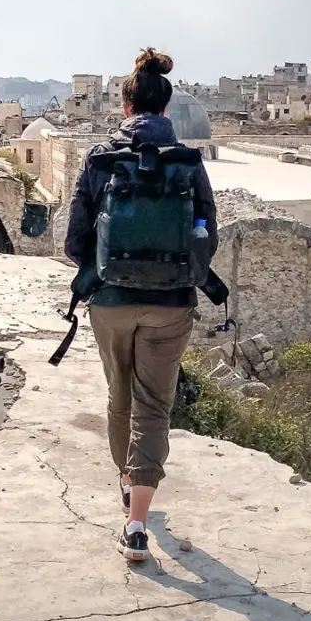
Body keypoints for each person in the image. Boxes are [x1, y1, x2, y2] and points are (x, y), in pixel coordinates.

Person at [64, 48, 219, 562]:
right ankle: (137, 525)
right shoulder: (187, 163)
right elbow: (207, 236)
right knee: (154, 409)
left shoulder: (102, 158)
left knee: (119, 399)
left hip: (110, 300)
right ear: (167, 108)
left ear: (126, 105)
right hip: (172, 304)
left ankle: (128, 481)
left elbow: (73, 244)